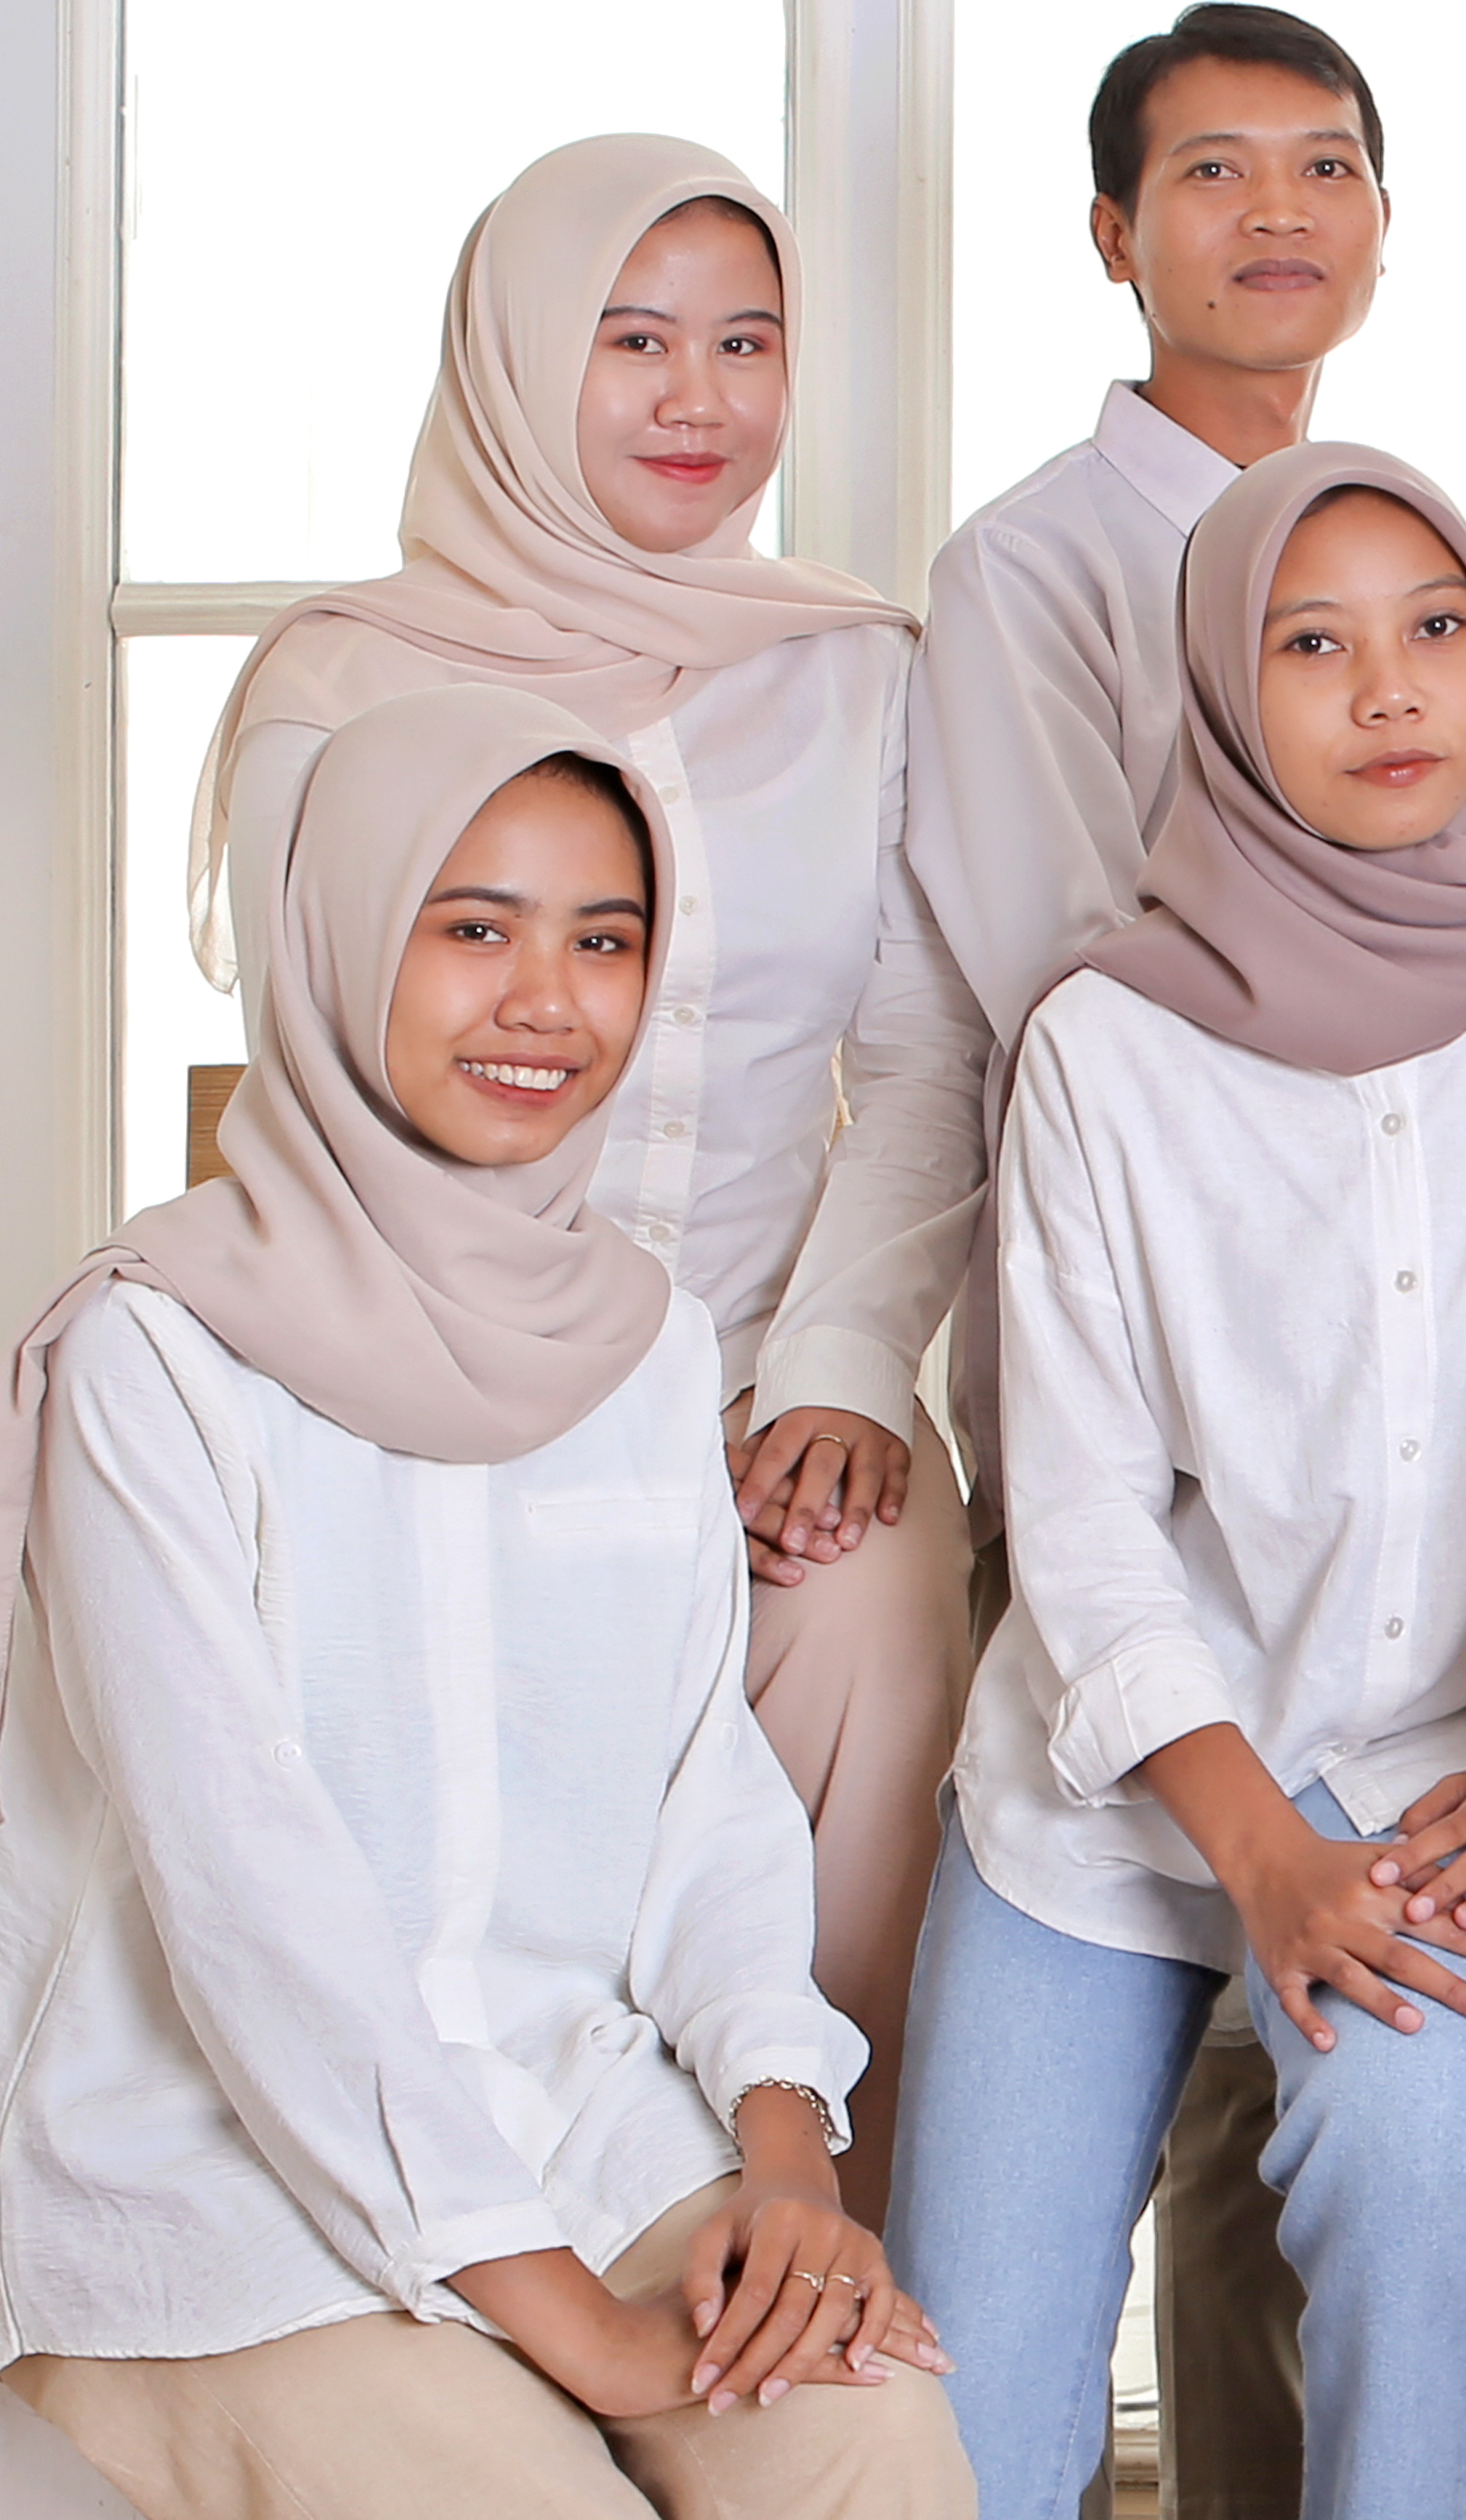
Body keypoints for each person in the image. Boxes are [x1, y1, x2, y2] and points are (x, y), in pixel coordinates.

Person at [0, 684, 963, 2520]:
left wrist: (789, 2166)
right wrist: (585, 2337)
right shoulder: (152, 1356)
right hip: (214, 2175)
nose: (548, 1002)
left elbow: (698, 1796)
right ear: (334, 939)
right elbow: (254, 1906)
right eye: (472, 926)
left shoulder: (643, 1340)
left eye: (606, 939)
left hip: (582, 2117)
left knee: (871, 2430)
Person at [889, 448, 1466, 2520]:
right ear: (1216, 692)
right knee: (959, 2433)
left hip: (1458, 1777)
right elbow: (1075, 1507)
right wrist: (1260, 1854)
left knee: (1418, 2179)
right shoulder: (1101, 1034)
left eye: (1436, 629)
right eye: (1312, 641)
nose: (1388, 692)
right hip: (1125, 1777)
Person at [188, 136, 979, 2214]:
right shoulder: (345, 674)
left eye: (746, 342)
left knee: (879, 1590)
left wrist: (837, 1365)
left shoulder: (859, 669)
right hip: (410, 1370)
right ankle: (467, 2251)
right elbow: (330, 1080)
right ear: (519, 358)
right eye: (632, 342)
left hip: (753, 1381)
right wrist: (546, 1421)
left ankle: (821, 2247)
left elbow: (914, 1059)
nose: (696, 399)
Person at [907, 0, 1399, 2497]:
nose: (1278, 215)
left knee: (1277, 2093)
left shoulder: (1397, 549)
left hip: (1362, 1431)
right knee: (1140, 1951)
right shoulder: (1027, 566)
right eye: (1217, 174)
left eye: (1325, 167)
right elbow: (1031, 979)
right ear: (1117, 235)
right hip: (1126, 1379)